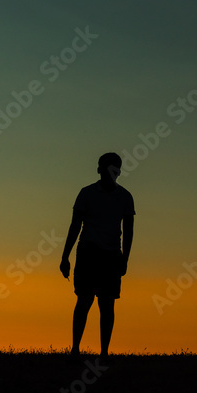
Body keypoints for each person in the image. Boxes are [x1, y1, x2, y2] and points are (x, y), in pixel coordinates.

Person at [60, 153, 135, 362]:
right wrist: (65, 256)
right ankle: (76, 349)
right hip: (89, 253)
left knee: (106, 304)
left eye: (114, 168)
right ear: (99, 169)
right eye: (107, 167)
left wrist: (124, 258)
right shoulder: (87, 194)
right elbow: (75, 226)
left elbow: (129, 231)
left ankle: (103, 352)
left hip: (111, 255)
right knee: (85, 300)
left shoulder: (125, 197)